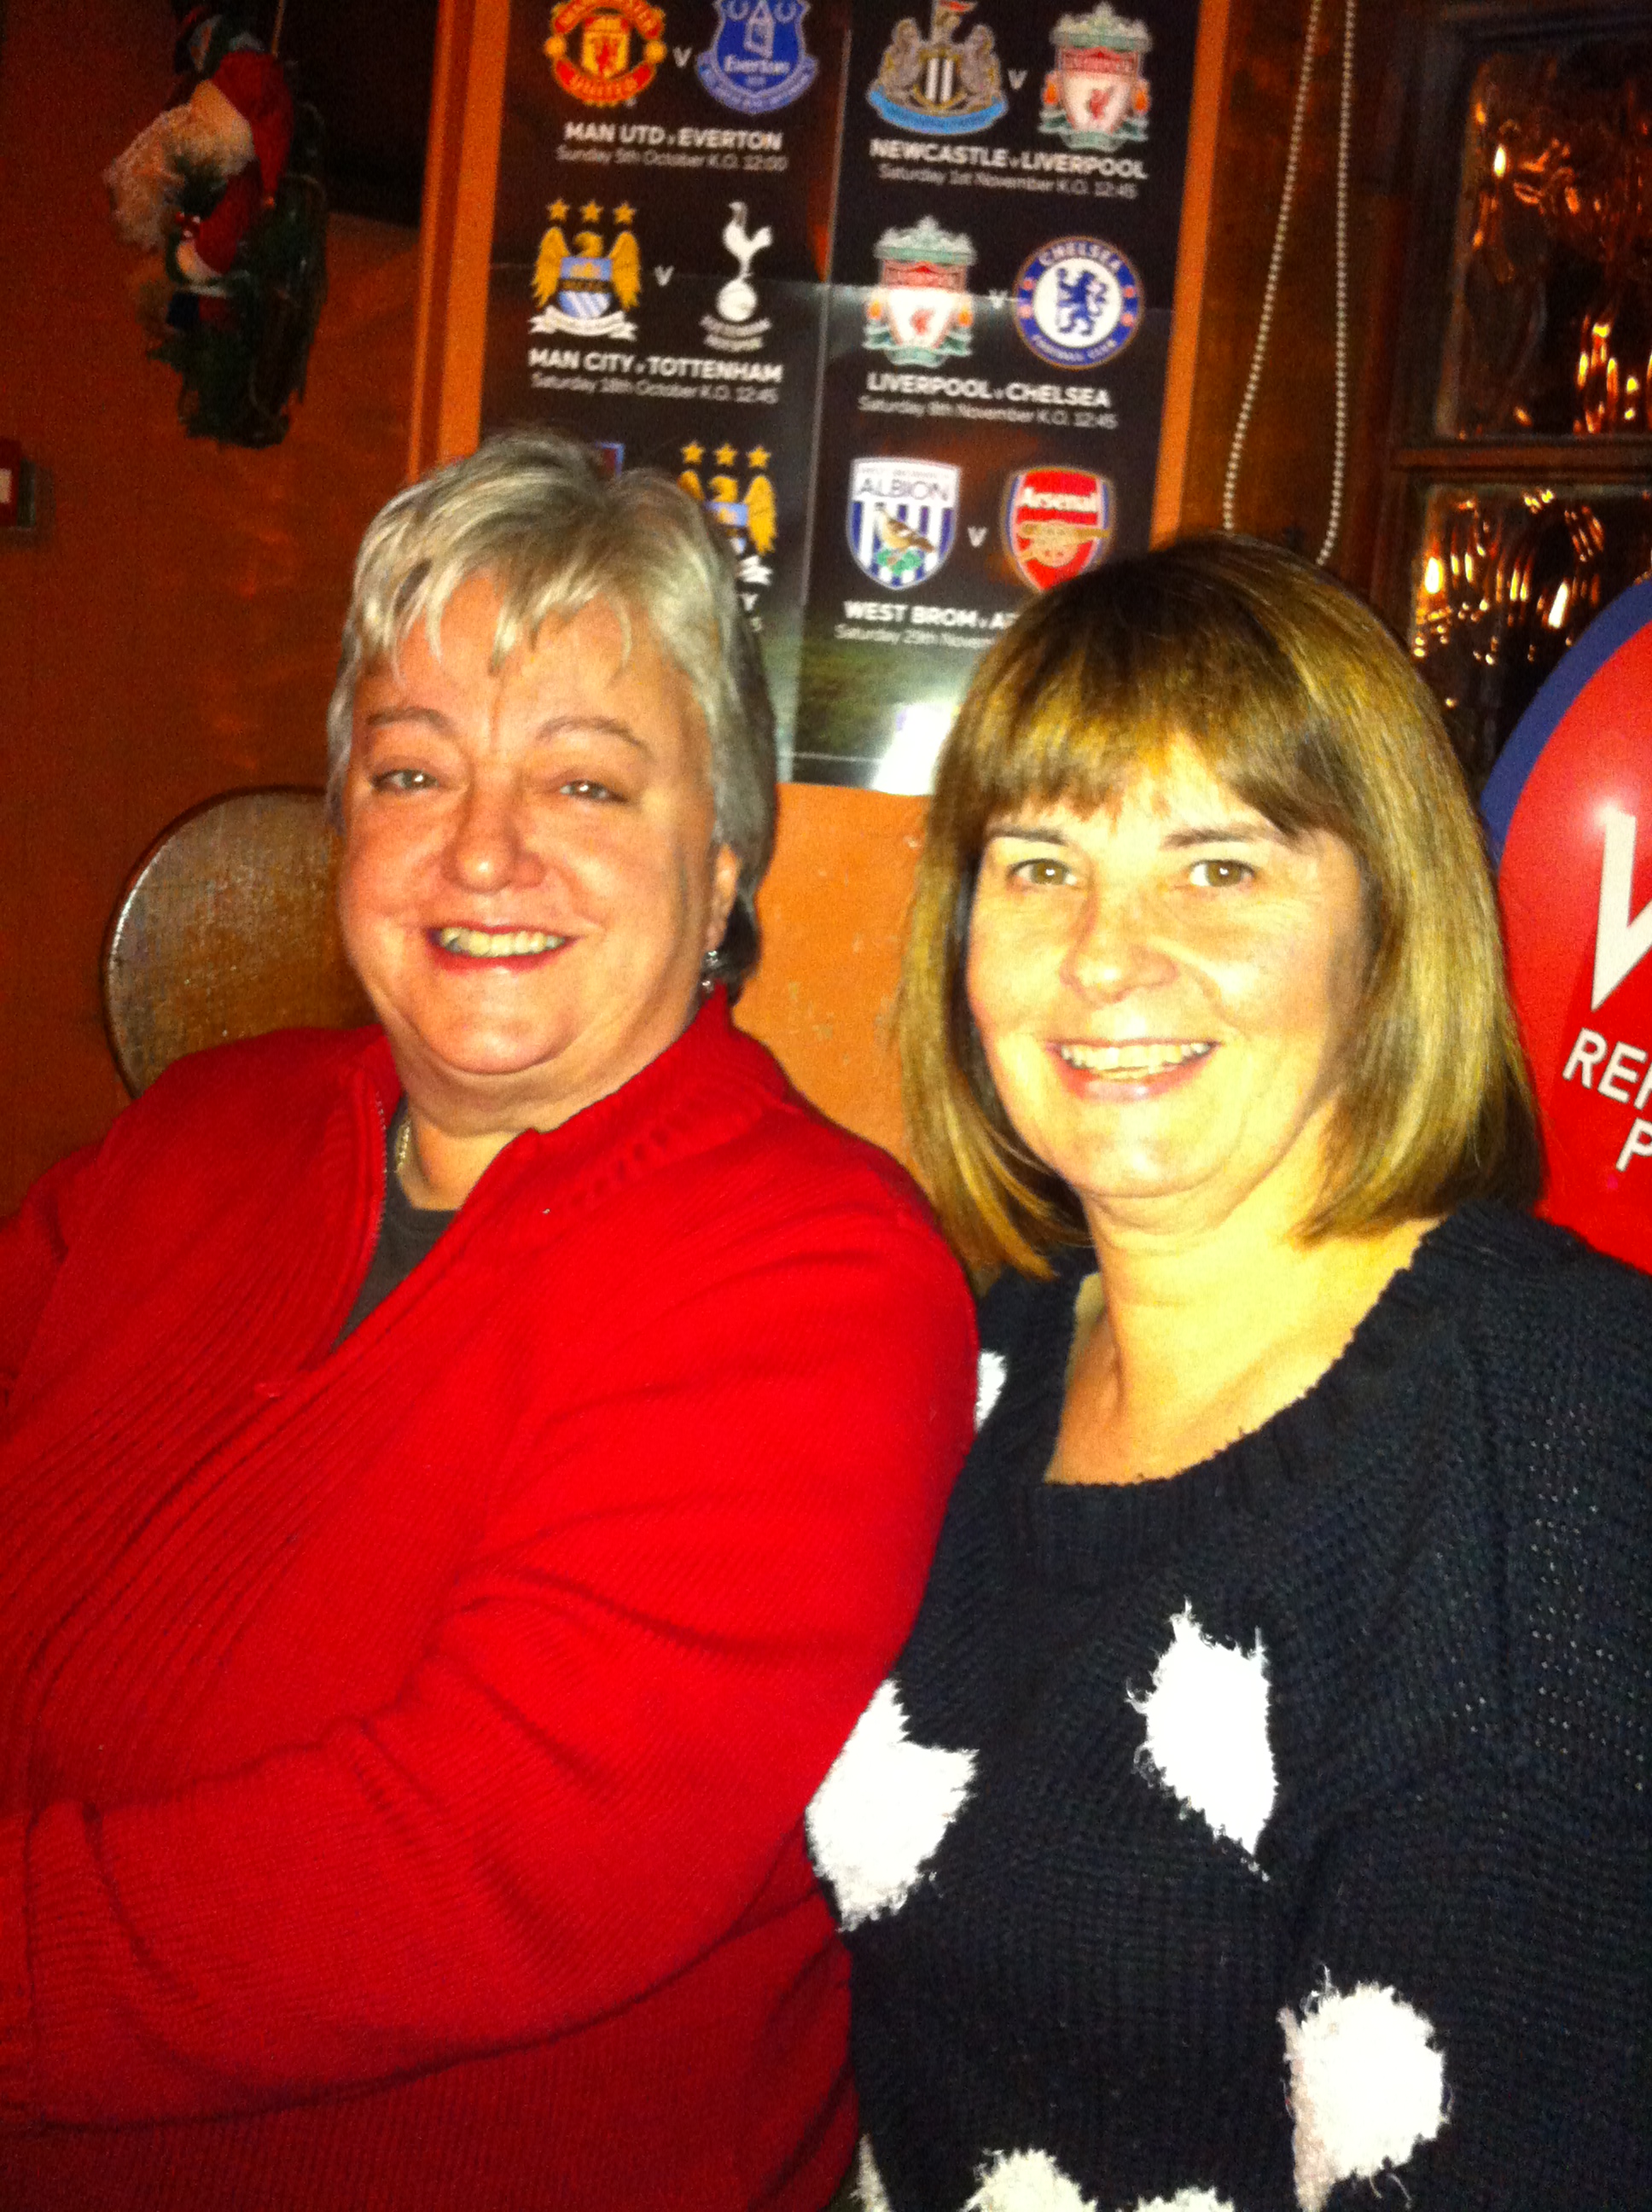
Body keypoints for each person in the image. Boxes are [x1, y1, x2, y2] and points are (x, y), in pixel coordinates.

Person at [0, 432, 976, 2211]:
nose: (483, 850)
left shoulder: (820, 1272)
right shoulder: (192, 1137)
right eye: (411, 769)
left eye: (586, 783)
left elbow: (476, 1861)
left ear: (724, 863)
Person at [806, 537, 1652, 2212]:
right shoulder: (985, 1348)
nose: (1104, 958)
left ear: (1386, 929)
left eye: (1216, 868)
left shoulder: (1554, 1429)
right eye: (1039, 864)